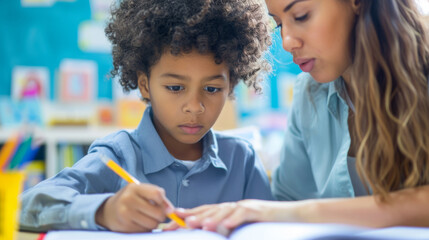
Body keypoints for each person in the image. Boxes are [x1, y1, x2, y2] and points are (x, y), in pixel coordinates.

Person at [166, 0, 429, 232]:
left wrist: (300, 212)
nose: (288, 42)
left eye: (301, 15)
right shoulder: (309, 92)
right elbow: (287, 201)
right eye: (279, 24)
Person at [19, 0, 274, 233]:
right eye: (175, 88)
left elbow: (275, 229)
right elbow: (26, 207)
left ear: (230, 86)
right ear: (144, 85)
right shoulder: (118, 155)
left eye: (212, 89)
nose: (194, 107)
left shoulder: (242, 160)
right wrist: (104, 211)